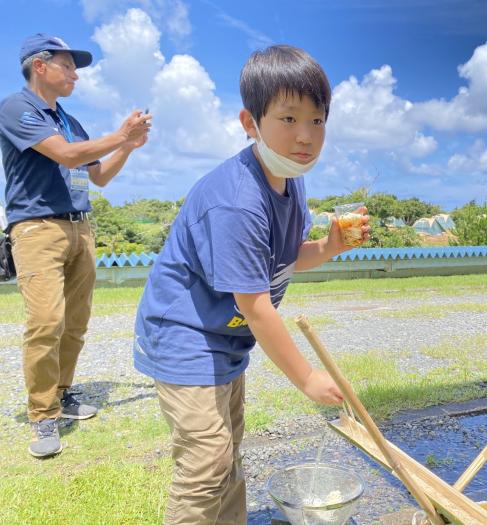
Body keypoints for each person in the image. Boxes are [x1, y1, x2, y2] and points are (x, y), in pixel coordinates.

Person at [133, 44, 369, 524]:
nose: (305, 136)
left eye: (318, 121)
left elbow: (280, 261)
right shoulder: (238, 201)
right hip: (185, 332)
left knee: (227, 453)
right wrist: (307, 378)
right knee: (207, 462)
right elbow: (257, 305)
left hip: (226, 336)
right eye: (288, 119)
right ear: (250, 123)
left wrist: (327, 247)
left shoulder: (291, 179)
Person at [0, 33, 151, 458]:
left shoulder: (70, 120)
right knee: (46, 321)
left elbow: (99, 175)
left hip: (80, 227)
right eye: (68, 65)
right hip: (37, 229)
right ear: (39, 65)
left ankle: (62, 393)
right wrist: (119, 132)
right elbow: (66, 156)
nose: (75, 74)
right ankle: (43, 415)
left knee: (76, 322)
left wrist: (128, 146)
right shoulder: (17, 108)